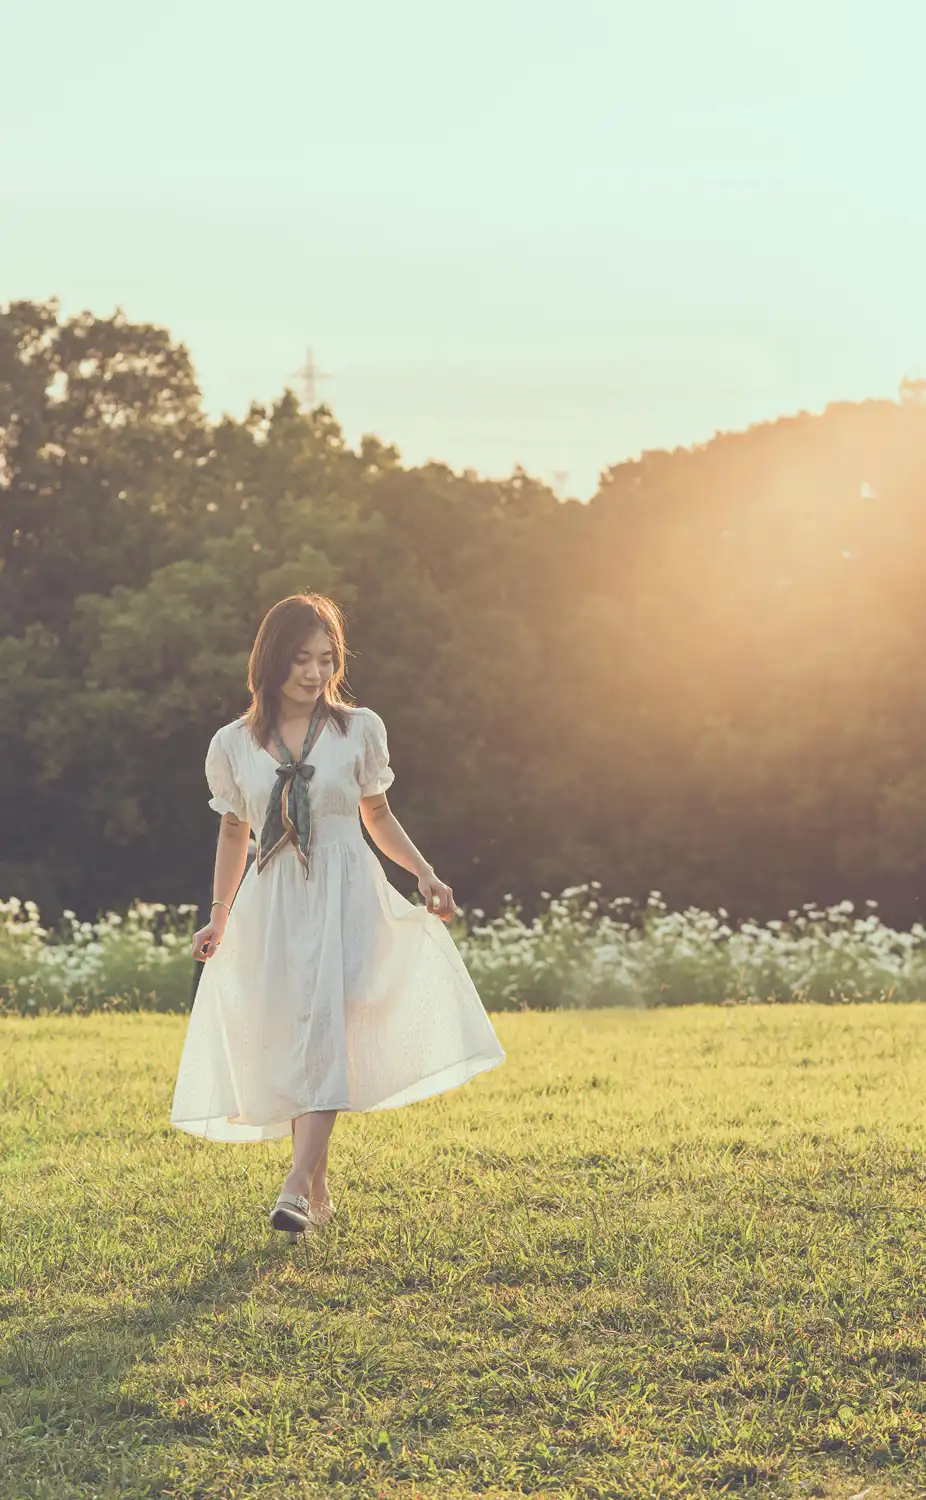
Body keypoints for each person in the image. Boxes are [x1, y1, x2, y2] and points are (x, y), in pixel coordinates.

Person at [170, 592, 506, 1238]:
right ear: (270, 662)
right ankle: (318, 1191)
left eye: (326, 660)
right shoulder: (235, 745)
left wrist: (425, 873)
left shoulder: (359, 730)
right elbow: (234, 833)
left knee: (328, 1027)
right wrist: (218, 915)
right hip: (275, 901)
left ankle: (295, 1187)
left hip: (346, 891)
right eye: (301, 660)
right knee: (300, 1034)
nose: (315, 674)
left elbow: (375, 815)